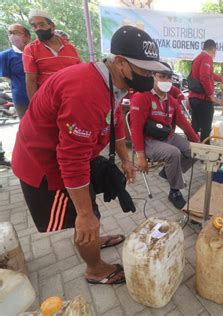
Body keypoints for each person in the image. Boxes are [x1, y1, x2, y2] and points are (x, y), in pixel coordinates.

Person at [11, 25, 167, 285]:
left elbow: (115, 117)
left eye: (152, 70)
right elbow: (71, 160)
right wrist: (84, 215)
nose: (149, 76)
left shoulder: (112, 82)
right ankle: (94, 268)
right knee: (82, 217)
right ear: (120, 62)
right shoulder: (86, 91)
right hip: (46, 166)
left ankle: (92, 238)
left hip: (72, 155)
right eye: (144, 70)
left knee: (90, 209)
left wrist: (125, 159)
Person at [130, 62, 199, 209]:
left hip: (168, 136)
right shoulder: (141, 97)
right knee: (173, 153)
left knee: (196, 151)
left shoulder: (171, 101)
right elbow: (135, 129)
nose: (166, 81)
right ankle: (175, 191)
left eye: (169, 78)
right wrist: (140, 156)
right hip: (149, 141)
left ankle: (168, 173)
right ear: (152, 76)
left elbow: (184, 123)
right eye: (161, 76)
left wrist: (199, 142)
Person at [23, 10, 81, 99]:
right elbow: (31, 80)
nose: (38, 28)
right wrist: (34, 106)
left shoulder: (70, 47)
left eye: (42, 24)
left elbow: (78, 74)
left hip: (71, 97)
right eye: (34, 26)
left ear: (52, 26)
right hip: (47, 100)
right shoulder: (30, 49)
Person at [188, 39, 223, 143]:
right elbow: (204, 77)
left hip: (194, 98)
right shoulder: (207, 57)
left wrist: (221, 79)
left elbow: (209, 74)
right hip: (202, 99)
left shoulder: (198, 58)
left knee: (195, 125)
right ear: (213, 49)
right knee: (206, 128)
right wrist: (211, 96)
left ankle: (191, 149)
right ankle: (205, 151)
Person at [0, 24, 31, 119]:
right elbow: (6, 76)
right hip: (21, 98)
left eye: (16, 32)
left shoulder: (35, 52)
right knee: (26, 126)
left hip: (41, 95)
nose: (12, 35)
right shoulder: (5, 56)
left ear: (26, 36)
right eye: (10, 33)